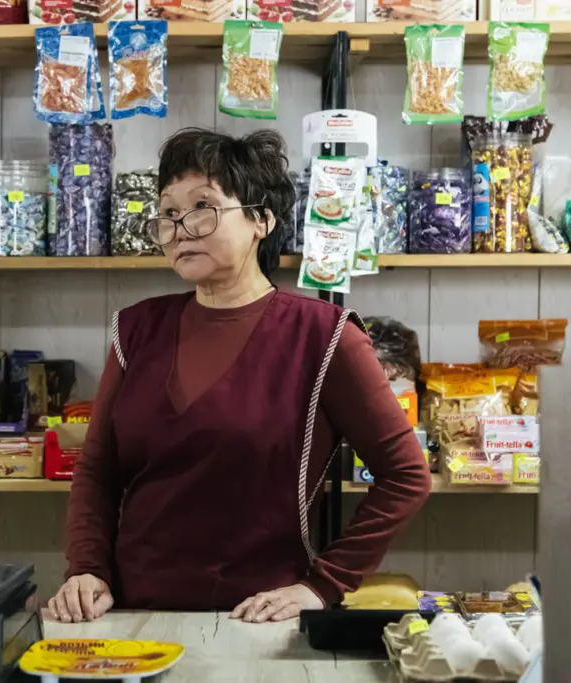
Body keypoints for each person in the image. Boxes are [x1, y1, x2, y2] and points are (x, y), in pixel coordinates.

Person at [48, 128, 431, 624]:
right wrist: (86, 569)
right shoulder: (137, 329)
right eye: (168, 213)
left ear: (261, 220)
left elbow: (406, 475)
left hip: (259, 620)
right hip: (131, 614)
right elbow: (97, 472)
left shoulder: (324, 336)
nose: (181, 227)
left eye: (202, 206)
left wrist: (324, 585)